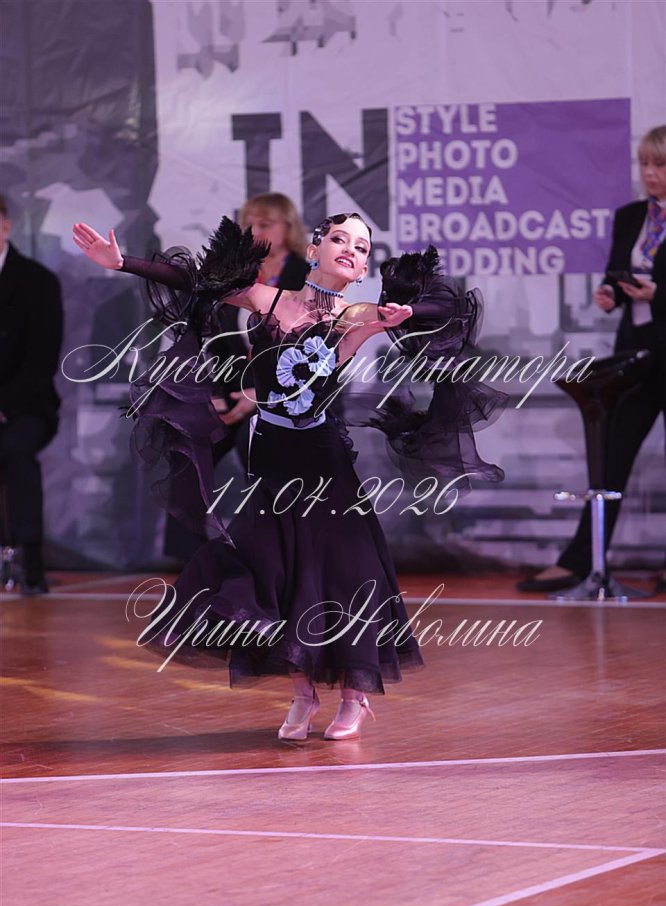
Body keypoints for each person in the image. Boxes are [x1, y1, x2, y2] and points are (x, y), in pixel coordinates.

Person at [73, 211, 503, 739]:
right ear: (315, 249)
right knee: (271, 575)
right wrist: (123, 263)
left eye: (362, 248)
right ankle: (302, 694)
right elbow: (195, 281)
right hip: (272, 458)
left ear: (364, 268)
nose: (351, 250)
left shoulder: (357, 314)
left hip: (324, 462)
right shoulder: (267, 299)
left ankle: (354, 697)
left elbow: (446, 309)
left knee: (346, 576)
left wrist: (409, 310)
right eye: (340, 239)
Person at [518, 125, 666, 594]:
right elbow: (616, 275)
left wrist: (658, 294)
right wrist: (610, 295)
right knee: (611, 460)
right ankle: (583, 561)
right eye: (645, 164)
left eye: (660, 165)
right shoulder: (631, 217)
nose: (650, 174)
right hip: (637, 357)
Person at [164, 193, 309, 561]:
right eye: (249, 224)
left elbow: (308, 348)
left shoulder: (305, 275)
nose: (254, 231)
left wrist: (258, 395)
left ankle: (273, 551)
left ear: (288, 229)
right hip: (233, 389)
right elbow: (215, 337)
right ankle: (191, 555)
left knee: (256, 448)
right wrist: (214, 393)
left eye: (265, 224)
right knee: (190, 443)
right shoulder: (235, 272)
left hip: (288, 395)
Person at [0, 194, 64, 595]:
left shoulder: (37, 281)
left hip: (27, 405)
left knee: (15, 451)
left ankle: (29, 558)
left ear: (5, 226)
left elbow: (42, 360)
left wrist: (4, 405)